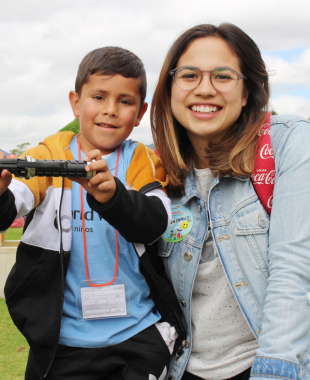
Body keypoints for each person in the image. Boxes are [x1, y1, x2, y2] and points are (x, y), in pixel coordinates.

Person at [0, 46, 186, 380]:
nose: (111, 110)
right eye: (98, 97)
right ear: (75, 101)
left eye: (125, 101)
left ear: (141, 112)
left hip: (137, 337)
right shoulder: (49, 153)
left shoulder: (142, 160)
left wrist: (114, 197)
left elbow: (156, 222)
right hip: (61, 345)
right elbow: (12, 204)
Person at [151, 23, 310, 380]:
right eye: (189, 75)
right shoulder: (154, 171)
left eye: (223, 76)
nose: (204, 89)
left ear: (247, 92)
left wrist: (275, 370)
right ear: (170, 88)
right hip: (180, 368)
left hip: (266, 363)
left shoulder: (288, 143)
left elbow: (294, 270)